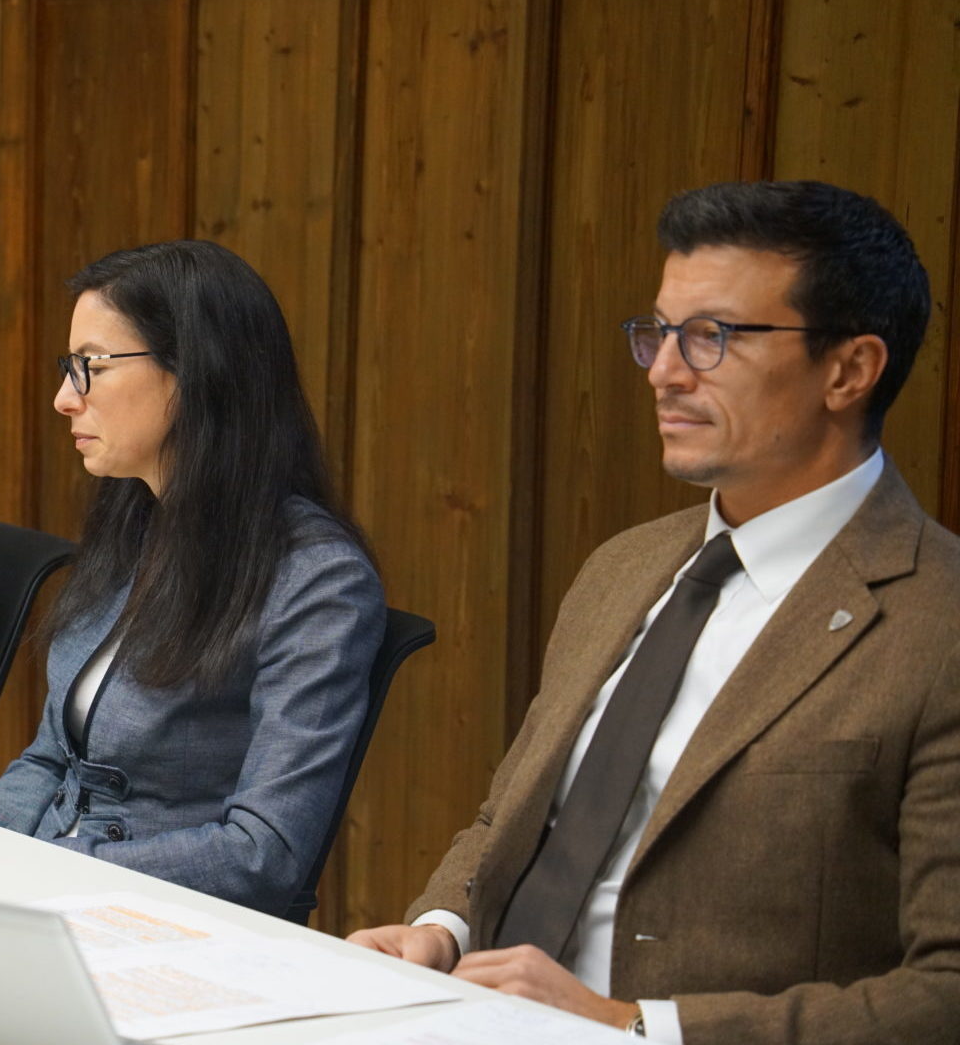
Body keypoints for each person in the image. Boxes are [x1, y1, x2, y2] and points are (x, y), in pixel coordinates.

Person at [347, 181, 960, 1043]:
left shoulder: (938, 625)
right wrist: (439, 931)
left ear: (849, 369)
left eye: (712, 337)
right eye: (660, 335)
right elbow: (510, 821)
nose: (665, 372)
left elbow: (946, 992)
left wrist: (639, 1025)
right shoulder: (622, 567)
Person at [0, 240, 383, 917]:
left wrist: (47, 874)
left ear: (195, 371)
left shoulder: (316, 579)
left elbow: (263, 853)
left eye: (90, 368)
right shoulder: (136, 520)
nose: (63, 399)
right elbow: (48, 760)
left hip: (167, 926)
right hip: (47, 897)